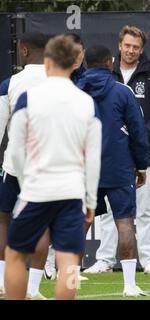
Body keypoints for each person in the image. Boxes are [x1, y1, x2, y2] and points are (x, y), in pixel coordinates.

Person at [4, 35, 101, 299]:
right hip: (71, 193)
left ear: (47, 62)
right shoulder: (86, 102)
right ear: (73, 64)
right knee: (68, 262)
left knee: (13, 254)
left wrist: (26, 186)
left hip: (36, 189)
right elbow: (93, 158)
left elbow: (15, 150)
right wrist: (90, 201)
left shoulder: (29, 97)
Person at [84, 25, 150, 275]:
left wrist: (139, 134)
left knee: (144, 209)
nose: (131, 50)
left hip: (142, 154)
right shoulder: (106, 73)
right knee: (108, 210)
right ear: (119, 46)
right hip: (107, 153)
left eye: (136, 47)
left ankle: (149, 260)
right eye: (127, 45)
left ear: (141, 49)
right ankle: (104, 259)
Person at [77, 45, 150, 296]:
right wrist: (141, 165)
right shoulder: (123, 92)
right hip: (119, 167)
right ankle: (129, 286)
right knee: (125, 223)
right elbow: (138, 132)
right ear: (110, 62)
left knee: (80, 222)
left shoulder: (74, 92)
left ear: (86, 63)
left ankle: (69, 277)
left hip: (85, 168)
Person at [0, 32, 51, 299]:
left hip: (14, 164)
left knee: (3, 219)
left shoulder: (11, 83)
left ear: (24, 51)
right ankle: (32, 289)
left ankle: (2, 281)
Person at [44, 32, 87, 282]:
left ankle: (66, 268)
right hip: (53, 155)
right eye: (74, 52)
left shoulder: (85, 78)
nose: (77, 57)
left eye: (81, 53)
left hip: (77, 156)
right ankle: (47, 263)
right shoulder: (51, 80)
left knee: (72, 214)